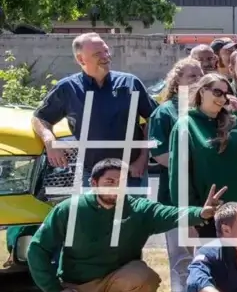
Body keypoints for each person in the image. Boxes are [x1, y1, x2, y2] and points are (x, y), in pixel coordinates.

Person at [28, 159, 223, 292]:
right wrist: (55, 290)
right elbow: (37, 249)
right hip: (78, 287)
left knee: (144, 278)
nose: (116, 188)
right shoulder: (69, 209)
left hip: (118, 279)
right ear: (94, 183)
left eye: (121, 182)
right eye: (109, 182)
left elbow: (170, 213)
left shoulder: (138, 209)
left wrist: (201, 213)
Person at [32, 33, 157, 188]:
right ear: (80, 59)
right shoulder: (68, 88)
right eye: (98, 54)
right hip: (90, 176)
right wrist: (50, 142)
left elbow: (154, 118)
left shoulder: (131, 83)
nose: (106, 56)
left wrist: (143, 158)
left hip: (132, 173)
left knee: (134, 213)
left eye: (106, 51)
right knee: (91, 213)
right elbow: (40, 118)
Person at [168, 74, 237, 238]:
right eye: (217, 92)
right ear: (202, 91)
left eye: (227, 94)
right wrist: (189, 213)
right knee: (214, 260)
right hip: (208, 212)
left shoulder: (235, 121)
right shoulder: (185, 124)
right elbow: (179, 174)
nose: (222, 98)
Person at [148, 58, 204, 292]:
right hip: (176, 194)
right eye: (191, 76)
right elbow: (159, 154)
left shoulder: (207, 111)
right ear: (176, 81)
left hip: (204, 193)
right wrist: (200, 160)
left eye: (200, 75)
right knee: (181, 250)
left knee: (204, 249)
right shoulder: (165, 112)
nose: (197, 80)